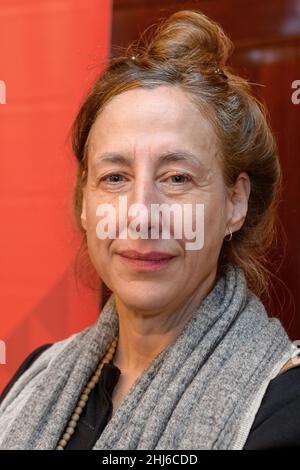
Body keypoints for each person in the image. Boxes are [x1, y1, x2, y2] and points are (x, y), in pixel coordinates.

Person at [0, 9, 299, 450]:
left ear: (235, 202)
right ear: (85, 202)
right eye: (115, 178)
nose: (140, 214)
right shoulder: (37, 373)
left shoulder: (283, 407)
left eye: (177, 178)